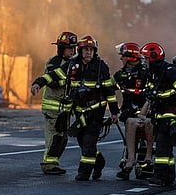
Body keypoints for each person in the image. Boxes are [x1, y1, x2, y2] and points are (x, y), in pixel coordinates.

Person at [31, 35, 119, 181]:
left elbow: (109, 90)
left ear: (95, 51)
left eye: (91, 50)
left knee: (89, 140)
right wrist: (38, 83)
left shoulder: (100, 66)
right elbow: (53, 75)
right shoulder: (72, 65)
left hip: (96, 111)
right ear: (81, 50)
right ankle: (99, 162)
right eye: (85, 50)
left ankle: (84, 173)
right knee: (82, 140)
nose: (88, 53)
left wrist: (115, 111)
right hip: (80, 112)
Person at [139, 42, 176, 187]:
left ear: (153, 57)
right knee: (166, 148)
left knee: (162, 147)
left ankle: (159, 176)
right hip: (160, 115)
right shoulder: (152, 73)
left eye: (146, 58)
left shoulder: (169, 71)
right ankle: (169, 176)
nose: (144, 61)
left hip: (171, 116)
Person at [32, 31, 78, 175]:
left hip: (65, 109)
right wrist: (70, 80)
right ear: (61, 48)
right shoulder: (54, 62)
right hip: (52, 108)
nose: (72, 51)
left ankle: (53, 162)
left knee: (63, 138)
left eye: (74, 48)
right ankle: (48, 164)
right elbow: (53, 81)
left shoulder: (74, 63)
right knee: (54, 136)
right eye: (69, 48)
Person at [113, 42, 153, 181]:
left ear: (130, 57)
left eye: (123, 56)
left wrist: (144, 112)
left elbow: (152, 94)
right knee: (130, 122)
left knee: (149, 123)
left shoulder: (146, 73)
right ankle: (130, 160)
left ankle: (148, 158)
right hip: (129, 112)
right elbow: (109, 88)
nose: (121, 59)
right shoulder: (121, 74)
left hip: (147, 112)